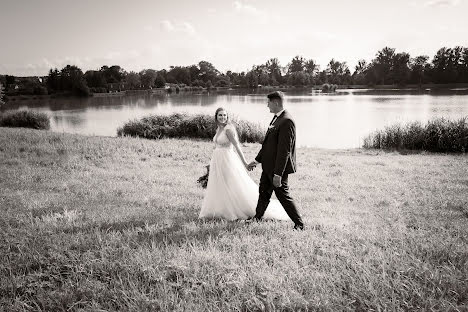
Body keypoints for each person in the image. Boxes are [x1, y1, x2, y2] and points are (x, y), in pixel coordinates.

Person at [199, 107, 290, 221]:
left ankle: (234, 209)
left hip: (227, 160)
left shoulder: (228, 129)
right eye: (220, 115)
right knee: (220, 184)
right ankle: (220, 209)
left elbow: (237, 147)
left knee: (231, 184)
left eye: (224, 115)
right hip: (218, 160)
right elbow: (217, 145)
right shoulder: (219, 129)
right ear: (216, 117)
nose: (222, 117)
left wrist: (245, 163)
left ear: (227, 117)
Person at [247, 91, 305, 230]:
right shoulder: (276, 118)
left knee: (283, 196)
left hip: (277, 169)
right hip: (267, 166)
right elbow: (268, 145)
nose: (267, 105)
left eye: (268, 103)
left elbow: (284, 151)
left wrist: (278, 174)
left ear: (276, 103)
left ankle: (299, 224)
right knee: (263, 193)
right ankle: (257, 218)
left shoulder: (287, 121)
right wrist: (256, 160)